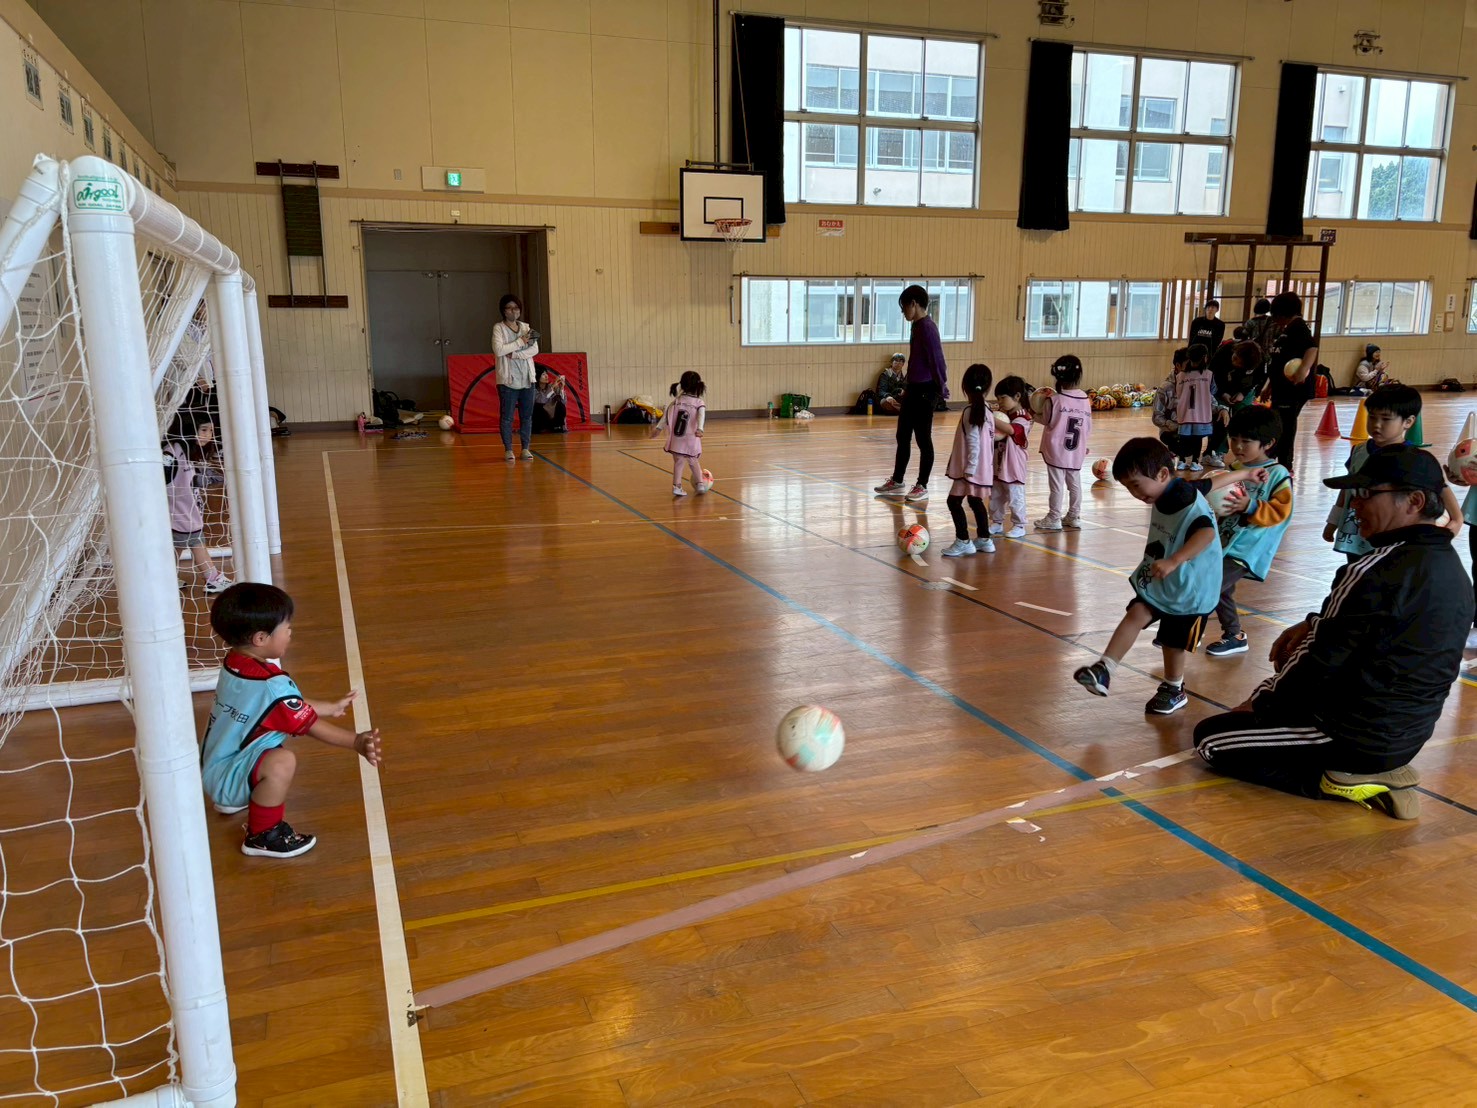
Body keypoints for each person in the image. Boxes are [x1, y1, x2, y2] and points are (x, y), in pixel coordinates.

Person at [1193, 447, 1473, 820]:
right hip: (1410, 736)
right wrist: (1315, 621)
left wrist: (1259, 703)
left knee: (1211, 740)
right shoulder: (1454, 571)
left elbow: (1318, 661)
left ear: (1415, 501)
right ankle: (1377, 768)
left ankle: (1336, 781)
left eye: (1367, 495)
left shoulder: (1374, 568)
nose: (1355, 507)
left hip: (1350, 734)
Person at [201, 583, 383, 857]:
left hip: (216, 766)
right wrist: (355, 741)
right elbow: (305, 723)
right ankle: (263, 834)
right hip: (226, 778)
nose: (290, 632)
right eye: (286, 627)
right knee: (282, 762)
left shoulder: (236, 663)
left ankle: (237, 793)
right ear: (261, 638)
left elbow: (281, 705)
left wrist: (329, 707)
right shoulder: (273, 684)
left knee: (270, 755)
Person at [1073, 437, 1227, 715]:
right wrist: (1246, 473)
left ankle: (1174, 688)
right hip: (1164, 577)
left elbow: (1205, 533)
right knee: (1135, 614)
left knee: (1172, 641)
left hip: (1191, 588)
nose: (1134, 493)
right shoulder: (1174, 488)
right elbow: (1209, 484)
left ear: (1163, 474)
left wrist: (1175, 560)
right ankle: (1105, 668)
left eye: (1135, 485)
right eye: (1128, 488)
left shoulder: (1184, 499)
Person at [1324, 385, 1462, 561]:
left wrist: (1455, 523)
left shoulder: (1415, 459)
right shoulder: (1358, 451)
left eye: (1386, 419)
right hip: (1357, 532)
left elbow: (1441, 489)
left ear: (1408, 421)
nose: (1377, 425)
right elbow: (1348, 489)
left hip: (1393, 538)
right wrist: (1333, 521)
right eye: (1372, 417)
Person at [1203, 406, 1295, 657]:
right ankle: (1234, 635)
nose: (1238, 446)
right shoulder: (1233, 470)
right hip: (1224, 541)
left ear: (1268, 443)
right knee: (1221, 590)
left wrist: (1251, 505)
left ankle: (1185, 629)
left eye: (1247, 441)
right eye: (1234, 439)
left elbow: (1281, 511)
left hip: (1249, 546)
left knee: (1210, 584)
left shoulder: (1277, 474)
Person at [874, 285, 948, 503]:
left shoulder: (927, 327)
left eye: (904, 307)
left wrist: (942, 387)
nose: (903, 312)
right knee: (902, 434)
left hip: (927, 390)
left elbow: (938, 359)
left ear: (914, 304)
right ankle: (897, 479)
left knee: (923, 438)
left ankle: (922, 485)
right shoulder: (916, 326)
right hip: (913, 388)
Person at [163, 408, 231, 595]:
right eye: (204, 430)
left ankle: (165, 577)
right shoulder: (171, 453)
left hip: (187, 510)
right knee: (196, 541)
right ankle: (212, 578)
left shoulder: (187, 451)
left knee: (178, 544)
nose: (209, 435)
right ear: (188, 429)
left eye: (211, 430)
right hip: (179, 512)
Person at [941, 364, 998, 558]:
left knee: (953, 502)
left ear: (965, 385)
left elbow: (974, 441)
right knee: (975, 500)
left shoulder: (971, 410)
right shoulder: (988, 410)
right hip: (983, 468)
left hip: (970, 469)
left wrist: (970, 467)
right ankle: (984, 539)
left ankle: (963, 540)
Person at [1260, 292, 1318, 475]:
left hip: (1292, 390)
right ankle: (1272, 461)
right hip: (1280, 388)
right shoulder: (1286, 329)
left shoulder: (1299, 327)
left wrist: (1303, 370)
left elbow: (1312, 347)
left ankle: (1285, 465)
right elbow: (1278, 361)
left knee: (1284, 426)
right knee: (1278, 424)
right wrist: (1269, 385)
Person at [1034, 355, 1093, 531]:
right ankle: (1074, 516)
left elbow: (1045, 420)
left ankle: (1054, 517)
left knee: (1057, 485)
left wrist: (1030, 410)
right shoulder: (1084, 398)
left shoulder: (1054, 400)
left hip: (1057, 450)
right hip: (1076, 450)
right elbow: (1087, 426)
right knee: (1074, 483)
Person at [492, 293, 539, 461]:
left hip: (527, 378)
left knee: (526, 416)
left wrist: (516, 355)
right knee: (507, 417)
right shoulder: (498, 328)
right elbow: (499, 350)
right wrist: (520, 342)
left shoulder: (526, 327)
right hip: (508, 380)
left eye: (516, 308)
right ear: (504, 311)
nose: (514, 311)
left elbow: (534, 350)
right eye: (510, 308)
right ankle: (508, 450)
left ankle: (525, 448)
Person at [989, 375, 1033, 538]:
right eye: (998, 398)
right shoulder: (1003, 414)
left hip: (1014, 464)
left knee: (1015, 495)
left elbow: (1011, 430)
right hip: (999, 461)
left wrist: (990, 418)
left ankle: (1019, 525)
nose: (999, 402)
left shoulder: (1023, 417)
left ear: (1017, 396)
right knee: (996, 495)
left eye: (1002, 398)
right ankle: (997, 522)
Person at [657, 370, 709, 496]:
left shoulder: (676, 401)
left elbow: (666, 416)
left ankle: (677, 486)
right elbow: (701, 416)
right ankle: (700, 484)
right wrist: (700, 429)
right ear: (698, 385)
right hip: (691, 437)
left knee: (678, 462)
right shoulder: (698, 402)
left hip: (677, 438)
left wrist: (658, 428)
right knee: (693, 460)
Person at [1174, 343, 1215, 472]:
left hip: (1185, 412)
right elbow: (1213, 391)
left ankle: (1181, 461)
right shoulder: (1209, 375)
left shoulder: (1180, 376)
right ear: (1205, 358)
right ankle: (1195, 462)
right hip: (1201, 413)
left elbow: (1178, 392)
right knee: (1197, 439)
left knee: (1184, 438)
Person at [1152, 349, 1187, 451]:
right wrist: (1171, 425)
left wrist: (1221, 410)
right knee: (1178, 442)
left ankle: (1208, 454)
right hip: (1171, 430)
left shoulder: (1197, 383)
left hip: (1191, 429)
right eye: (1188, 365)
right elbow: (1157, 417)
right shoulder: (1165, 388)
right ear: (1178, 365)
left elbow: (1210, 403)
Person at [532, 368, 568, 433]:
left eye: (546, 374)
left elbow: (563, 403)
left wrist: (562, 388)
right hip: (540, 420)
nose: (546, 376)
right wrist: (552, 388)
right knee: (537, 407)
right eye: (543, 374)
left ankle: (557, 427)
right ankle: (542, 429)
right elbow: (541, 401)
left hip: (552, 419)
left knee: (560, 405)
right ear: (537, 377)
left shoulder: (552, 386)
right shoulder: (534, 390)